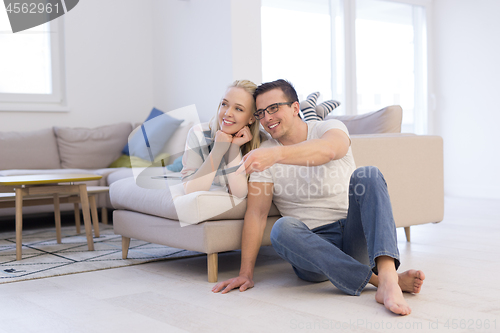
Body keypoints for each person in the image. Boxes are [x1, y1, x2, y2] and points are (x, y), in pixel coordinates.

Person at [212, 79, 425, 316]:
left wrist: (276, 154)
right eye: (261, 112)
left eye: (274, 108)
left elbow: (329, 150)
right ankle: (381, 282)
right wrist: (245, 273)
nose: (267, 117)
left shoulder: (326, 128)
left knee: (368, 174)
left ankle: (387, 276)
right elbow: (257, 213)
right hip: (314, 249)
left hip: (356, 235)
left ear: (295, 108)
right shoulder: (264, 155)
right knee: (282, 229)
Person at [181, 80, 262, 199]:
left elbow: (239, 194)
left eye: (238, 109)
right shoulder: (198, 133)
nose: (228, 113)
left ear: (251, 118)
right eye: (224, 104)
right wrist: (218, 150)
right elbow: (191, 191)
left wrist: (234, 148)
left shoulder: (262, 142)